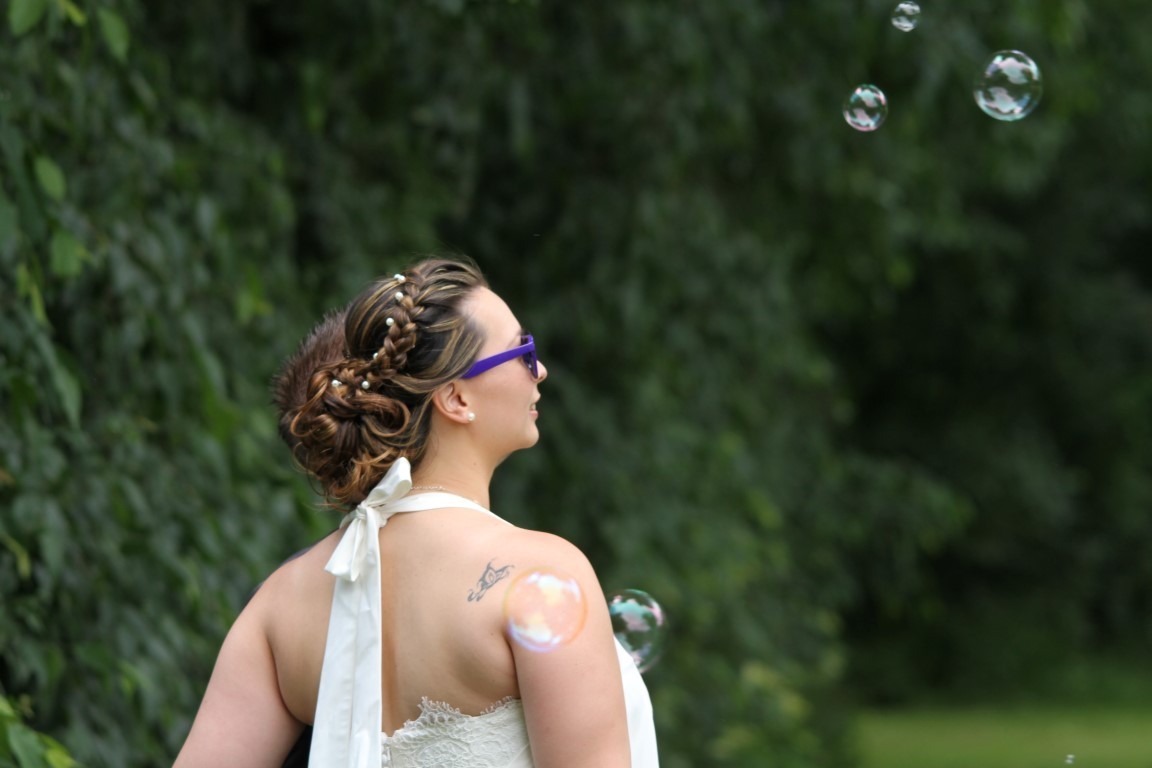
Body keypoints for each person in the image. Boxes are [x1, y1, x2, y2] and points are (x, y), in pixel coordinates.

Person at [173, 257, 659, 768]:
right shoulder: (539, 575)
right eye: (522, 350)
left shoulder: (280, 602)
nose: (539, 369)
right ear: (455, 397)